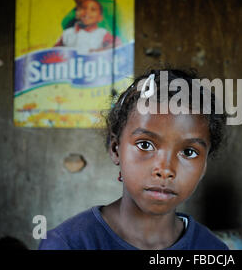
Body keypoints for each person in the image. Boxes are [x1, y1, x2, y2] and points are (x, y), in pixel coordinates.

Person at [39, 69, 229, 250]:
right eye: (145, 145)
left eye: (188, 152)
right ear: (115, 149)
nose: (165, 169)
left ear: (204, 165)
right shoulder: (68, 244)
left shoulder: (211, 249)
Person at [54, 0, 122, 54]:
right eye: (83, 8)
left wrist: (100, 51)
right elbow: (54, 51)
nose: (87, 12)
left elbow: (117, 44)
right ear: (77, 13)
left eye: (93, 9)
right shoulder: (67, 33)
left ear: (100, 18)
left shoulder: (102, 33)